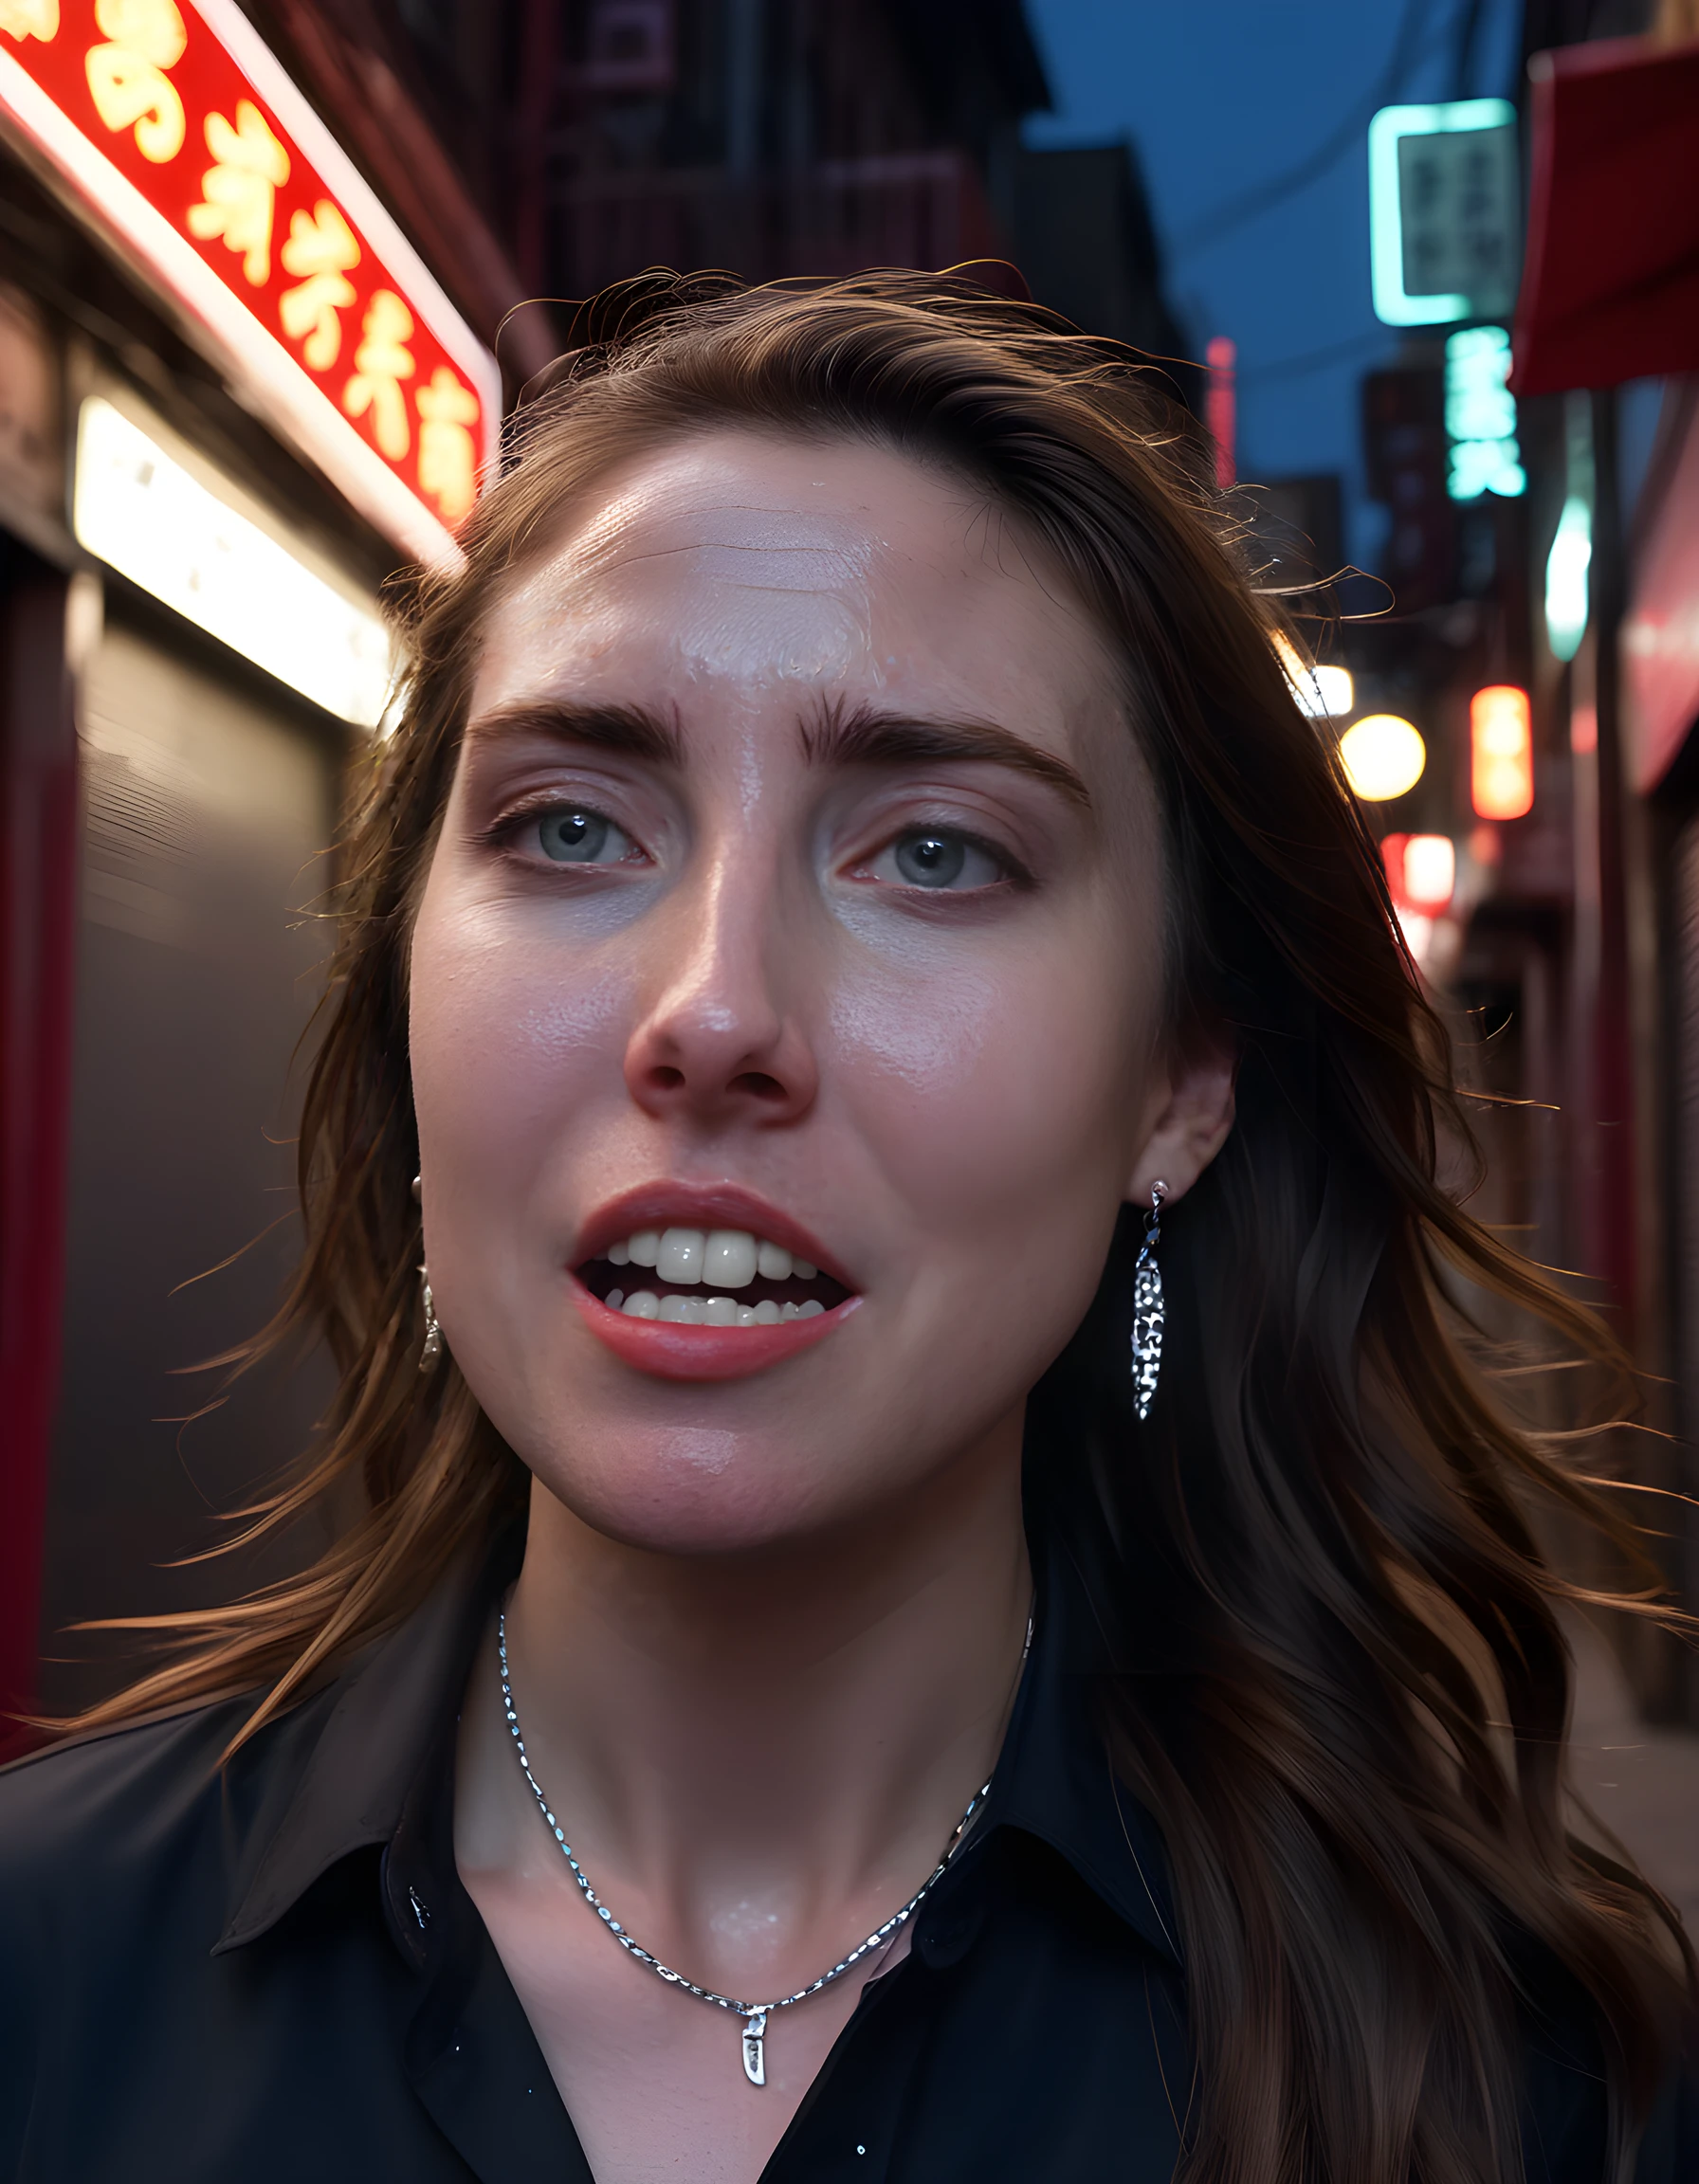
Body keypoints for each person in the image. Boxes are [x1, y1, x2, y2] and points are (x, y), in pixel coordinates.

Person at [0, 270, 1692, 2184]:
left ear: (1177, 1084)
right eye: (568, 826)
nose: (710, 1014)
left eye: (934, 852)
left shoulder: (1520, 2090)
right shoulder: (42, 1976)